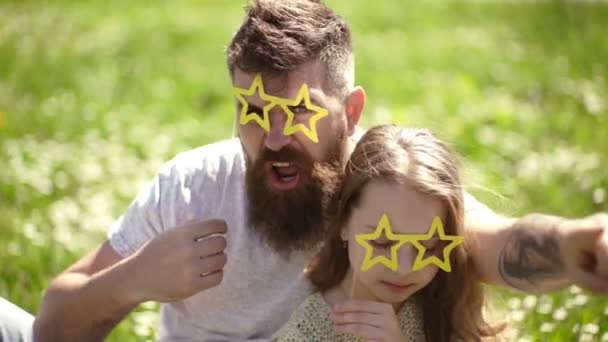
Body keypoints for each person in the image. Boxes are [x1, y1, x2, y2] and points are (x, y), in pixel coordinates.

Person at [0, 0, 603, 341]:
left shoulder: (382, 190)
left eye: (302, 114)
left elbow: (497, 243)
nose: (276, 137)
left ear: (353, 111)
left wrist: (580, 246)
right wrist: (136, 278)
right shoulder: (192, 187)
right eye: (255, 113)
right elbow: (53, 328)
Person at [278, 125, 503, 341]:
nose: (403, 268)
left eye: (427, 248)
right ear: (343, 221)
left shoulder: (444, 306)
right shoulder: (310, 329)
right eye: (383, 243)